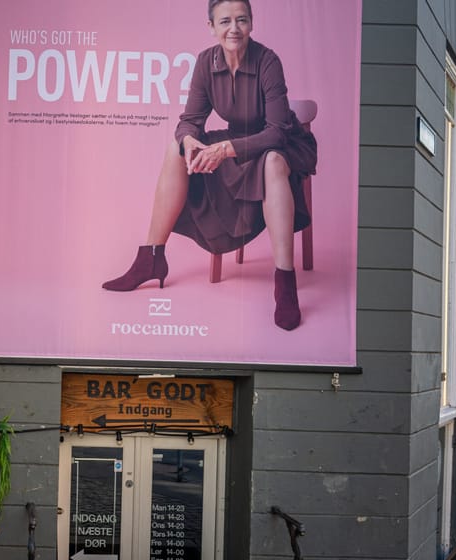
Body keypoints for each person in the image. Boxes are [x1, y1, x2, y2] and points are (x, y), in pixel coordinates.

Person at [102, 0, 317, 331]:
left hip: (280, 143)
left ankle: (285, 283)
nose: (234, 28)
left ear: (251, 24)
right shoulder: (205, 62)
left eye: (241, 20)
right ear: (212, 27)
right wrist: (189, 141)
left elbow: (276, 133)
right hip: (236, 141)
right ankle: (151, 258)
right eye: (226, 21)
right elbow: (189, 120)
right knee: (175, 146)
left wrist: (226, 149)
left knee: (273, 162)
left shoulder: (268, 61)